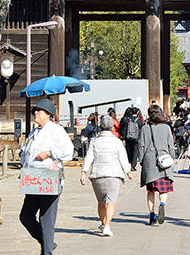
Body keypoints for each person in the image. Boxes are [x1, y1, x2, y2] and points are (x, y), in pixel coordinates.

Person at [19, 99, 74, 255]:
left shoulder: (56, 131)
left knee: (46, 220)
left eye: (40, 111)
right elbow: (27, 152)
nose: (36, 113)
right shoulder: (34, 132)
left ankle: (47, 251)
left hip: (49, 180)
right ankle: (48, 243)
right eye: (35, 110)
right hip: (33, 180)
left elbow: (69, 151)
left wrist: (49, 153)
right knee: (26, 217)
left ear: (49, 114)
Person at [80, 115, 134, 237]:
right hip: (113, 174)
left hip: (97, 175)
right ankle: (107, 226)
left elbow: (89, 158)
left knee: (101, 202)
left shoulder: (94, 141)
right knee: (111, 202)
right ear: (111, 127)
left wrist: (84, 172)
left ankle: (104, 224)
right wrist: (128, 171)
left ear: (100, 127)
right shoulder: (117, 142)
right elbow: (123, 158)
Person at [137, 104, 176, 225]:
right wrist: (172, 158)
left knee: (150, 191)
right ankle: (162, 205)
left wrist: (142, 161)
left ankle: (152, 215)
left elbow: (141, 147)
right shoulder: (166, 128)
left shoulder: (144, 129)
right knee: (163, 190)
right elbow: (171, 145)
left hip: (150, 161)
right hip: (164, 161)